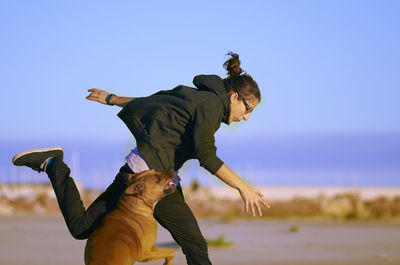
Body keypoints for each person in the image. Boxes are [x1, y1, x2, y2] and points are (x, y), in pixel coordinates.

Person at [12, 52, 270, 265]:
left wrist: (112, 99)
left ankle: (54, 164)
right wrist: (243, 187)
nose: (246, 117)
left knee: (194, 243)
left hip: (160, 182)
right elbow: (206, 155)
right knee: (193, 245)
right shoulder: (212, 106)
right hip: (142, 181)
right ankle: (54, 164)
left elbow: (151, 104)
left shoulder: (195, 96)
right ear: (234, 97)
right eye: (247, 109)